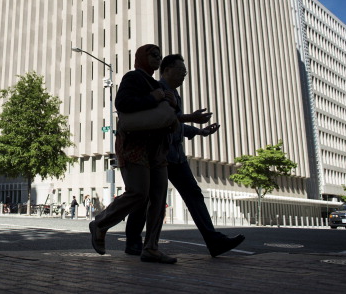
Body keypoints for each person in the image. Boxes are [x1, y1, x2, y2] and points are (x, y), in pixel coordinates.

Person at [125, 54, 245, 257]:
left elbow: (175, 125)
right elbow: (162, 120)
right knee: (145, 199)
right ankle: (134, 242)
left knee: (193, 194)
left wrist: (200, 131)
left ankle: (213, 240)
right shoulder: (157, 90)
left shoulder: (175, 95)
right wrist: (192, 119)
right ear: (167, 70)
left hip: (176, 156)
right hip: (157, 155)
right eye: (181, 71)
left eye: (185, 73)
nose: (184, 76)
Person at [89, 44, 177, 264]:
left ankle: (151, 248)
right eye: (152, 54)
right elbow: (122, 103)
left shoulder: (157, 84)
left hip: (157, 148)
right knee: (139, 192)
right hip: (135, 146)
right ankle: (100, 223)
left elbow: (163, 115)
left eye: (159, 55)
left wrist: (172, 106)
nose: (158, 58)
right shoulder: (133, 78)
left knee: (158, 198)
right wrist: (154, 97)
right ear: (141, 57)